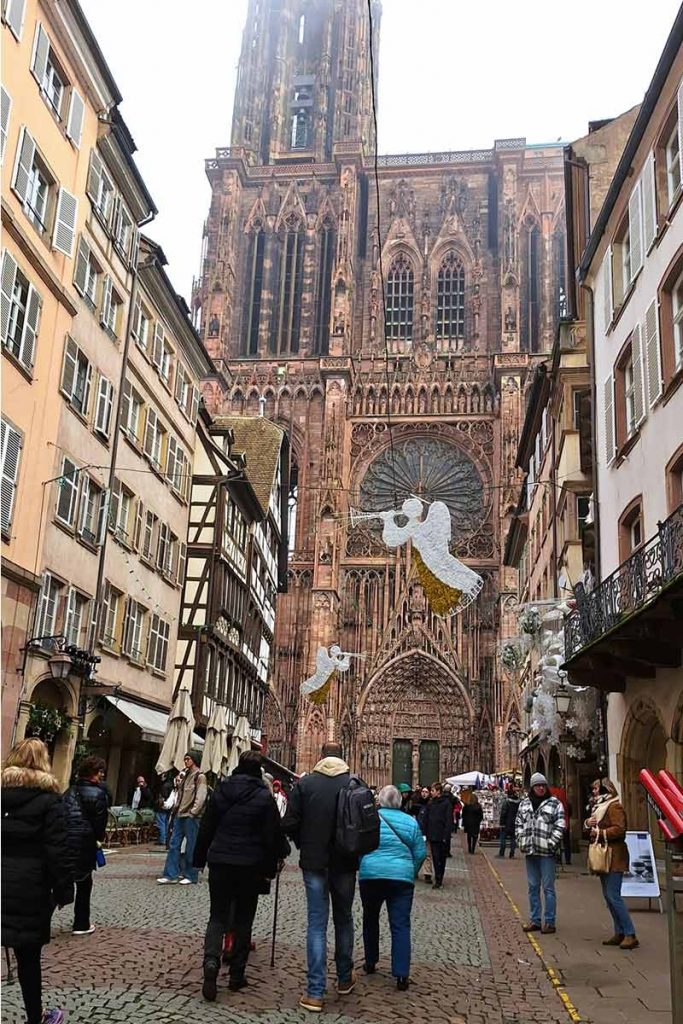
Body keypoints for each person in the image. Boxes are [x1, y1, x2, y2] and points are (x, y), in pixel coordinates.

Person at [193, 751, 290, 999]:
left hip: (220, 862)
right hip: (250, 866)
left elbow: (207, 826)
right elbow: (272, 834)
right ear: (259, 771)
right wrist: (281, 854)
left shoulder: (222, 790)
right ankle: (236, 975)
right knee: (244, 919)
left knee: (217, 916)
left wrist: (199, 859)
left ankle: (211, 962)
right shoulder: (263, 796)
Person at [2, 738, 74, 1024]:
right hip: (30, 889)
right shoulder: (50, 800)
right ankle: (36, 1017)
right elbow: (58, 850)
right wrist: (64, 890)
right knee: (28, 959)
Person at [283, 741, 358, 1013]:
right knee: (344, 919)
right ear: (342, 756)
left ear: (321, 756)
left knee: (317, 924)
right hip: (345, 864)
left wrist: (304, 841)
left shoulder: (305, 784)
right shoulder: (354, 784)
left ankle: (315, 992)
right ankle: (345, 978)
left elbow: (289, 823)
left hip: (314, 863)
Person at [359, 785, 426, 991]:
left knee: (370, 919)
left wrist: (364, 864)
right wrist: (410, 871)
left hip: (371, 875)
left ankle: (370, 961)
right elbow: (420, 853)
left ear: (379, 800)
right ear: (400, 801)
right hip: (401, 879)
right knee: (401, 925)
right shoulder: (410, 822)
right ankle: (402, 974)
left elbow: (359, 846)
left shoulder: (370, 818)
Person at [584, 778, 638, 950]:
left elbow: (620, 829)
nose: (593, 791)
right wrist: (587, 824)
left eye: (596, 789)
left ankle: (630, 933)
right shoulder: (599, 807)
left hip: (614, 856)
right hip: (603, 856)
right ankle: (619, 931)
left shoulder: (614, 806)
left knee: (614, 896)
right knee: (608, 897)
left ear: (606, 790)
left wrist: (600, 833)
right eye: (593, 789)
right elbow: (590, 828)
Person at [63, 755, 109, 936]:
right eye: (100, 772)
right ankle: (81, 923)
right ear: (92, 773)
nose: (102, 775)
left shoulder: (69, 791)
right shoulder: (98, 794)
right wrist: (98, 841)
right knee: (84, 883)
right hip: (84, 843)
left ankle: (41, 921)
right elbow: (100, 824)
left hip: (66, 841)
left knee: (61, 881)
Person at [515, 773, 565, 934]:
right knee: (532, 887)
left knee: (548, 888)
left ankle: (550, 922)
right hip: (530, 851)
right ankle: (535, 920)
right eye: (537, 785)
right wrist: (521, 840)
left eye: (543, 785)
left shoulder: (555, 803)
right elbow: (518, 823)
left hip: (547, 853)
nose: (541, 788)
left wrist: (551, 843)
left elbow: (560, 825)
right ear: (532, 787)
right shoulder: (524, 804)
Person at [157, 750, 207, 885]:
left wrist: (193, 812)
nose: (185, 761)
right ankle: (170, 874)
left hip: (191, 816)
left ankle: (191, 875)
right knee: (174, 844)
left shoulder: (200, 777)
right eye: (185, 759)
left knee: (191, 845)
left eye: (188, 759)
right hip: (179, 814)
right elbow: (179, 794)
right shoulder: (184, 775)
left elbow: (201, 796)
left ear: (194, 760)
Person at [423, 782, 452, 887]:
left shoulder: (446, 803)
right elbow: (426, 819)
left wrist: (446, 836)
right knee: (435, 857)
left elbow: (449, 821)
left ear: (438, 792)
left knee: (441, 858)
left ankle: (440, 878)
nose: (431, 793)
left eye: (433, 791)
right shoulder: (430, 803)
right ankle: (438, 879)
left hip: (442, 835)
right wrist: (425, 832)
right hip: (432, 835)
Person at [550, 784, 572, 865]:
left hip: (556, 823)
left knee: (557, 841)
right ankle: (568, 859)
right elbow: (570, 811)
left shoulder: (552, 798)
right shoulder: (564, 798)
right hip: (565, 822)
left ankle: (558, 858)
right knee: (566, 842)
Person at [497, 786, 520, 859]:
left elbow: (503, 813)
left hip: (506, 823)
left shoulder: (506, 802)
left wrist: (501, 823)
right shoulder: (518, 803)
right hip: (515, 823)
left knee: (503, 838)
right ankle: (512, 854)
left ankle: (501, 853)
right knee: (513, 839)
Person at [155, 771, 174, 846]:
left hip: (162, 807)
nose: (161, 777)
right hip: (169, 807)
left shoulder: (164, 786)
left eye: (162, 775)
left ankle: (162, 839)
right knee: (166, 823)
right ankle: (166, 838)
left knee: (161, 823)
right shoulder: (171, 785)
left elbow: (163, 796)